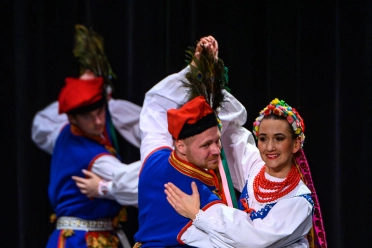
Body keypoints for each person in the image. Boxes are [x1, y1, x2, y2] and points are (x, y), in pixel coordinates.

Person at [133, 36, 264, 247]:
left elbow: (155, 106)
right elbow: (248, 237)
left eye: (217, 141)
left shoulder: (153, 160)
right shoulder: (197, 195)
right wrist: (197, 214)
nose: (215, 151)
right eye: (205, 145)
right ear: (181, 145)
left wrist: (196, 72)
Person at [31, 25, 142, 248]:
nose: (99, 121)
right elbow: (141, 182)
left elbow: (42, 125)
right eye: (88, 117)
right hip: (84, 242)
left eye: (100, 112)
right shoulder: (94, 157)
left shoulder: (60, 135)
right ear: (71, 119)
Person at [165, 98, 328, 247]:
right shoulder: (256, 167)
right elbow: (233, 131)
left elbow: (252, 240)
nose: (270, 147)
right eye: (263, 139)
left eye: (279, 139)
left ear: (296, 144)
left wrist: (198, 215)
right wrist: (213, 87)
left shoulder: (298, 201)